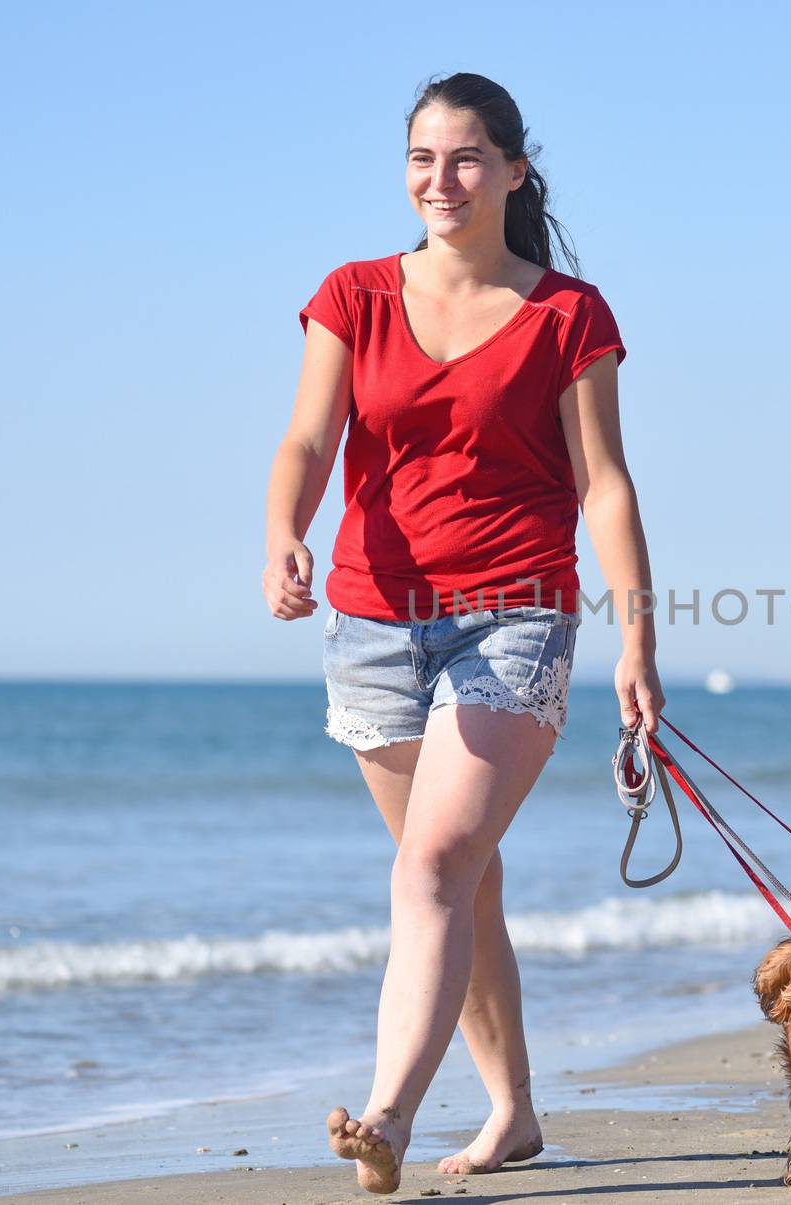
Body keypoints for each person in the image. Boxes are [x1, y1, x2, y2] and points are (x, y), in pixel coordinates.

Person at [261, 72, 664, 1195]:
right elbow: (305, 438)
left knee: (434, 864)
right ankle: (515, 1109)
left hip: (513, 615)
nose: (442, 180)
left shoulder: (567, 314)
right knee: (458, 875)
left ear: (514, 170)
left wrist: (635, 641)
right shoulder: (354, 294)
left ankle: (385, 1111)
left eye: (468, 158)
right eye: (422, 159)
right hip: (372, 618)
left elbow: (607, 488)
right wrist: (283, 534)